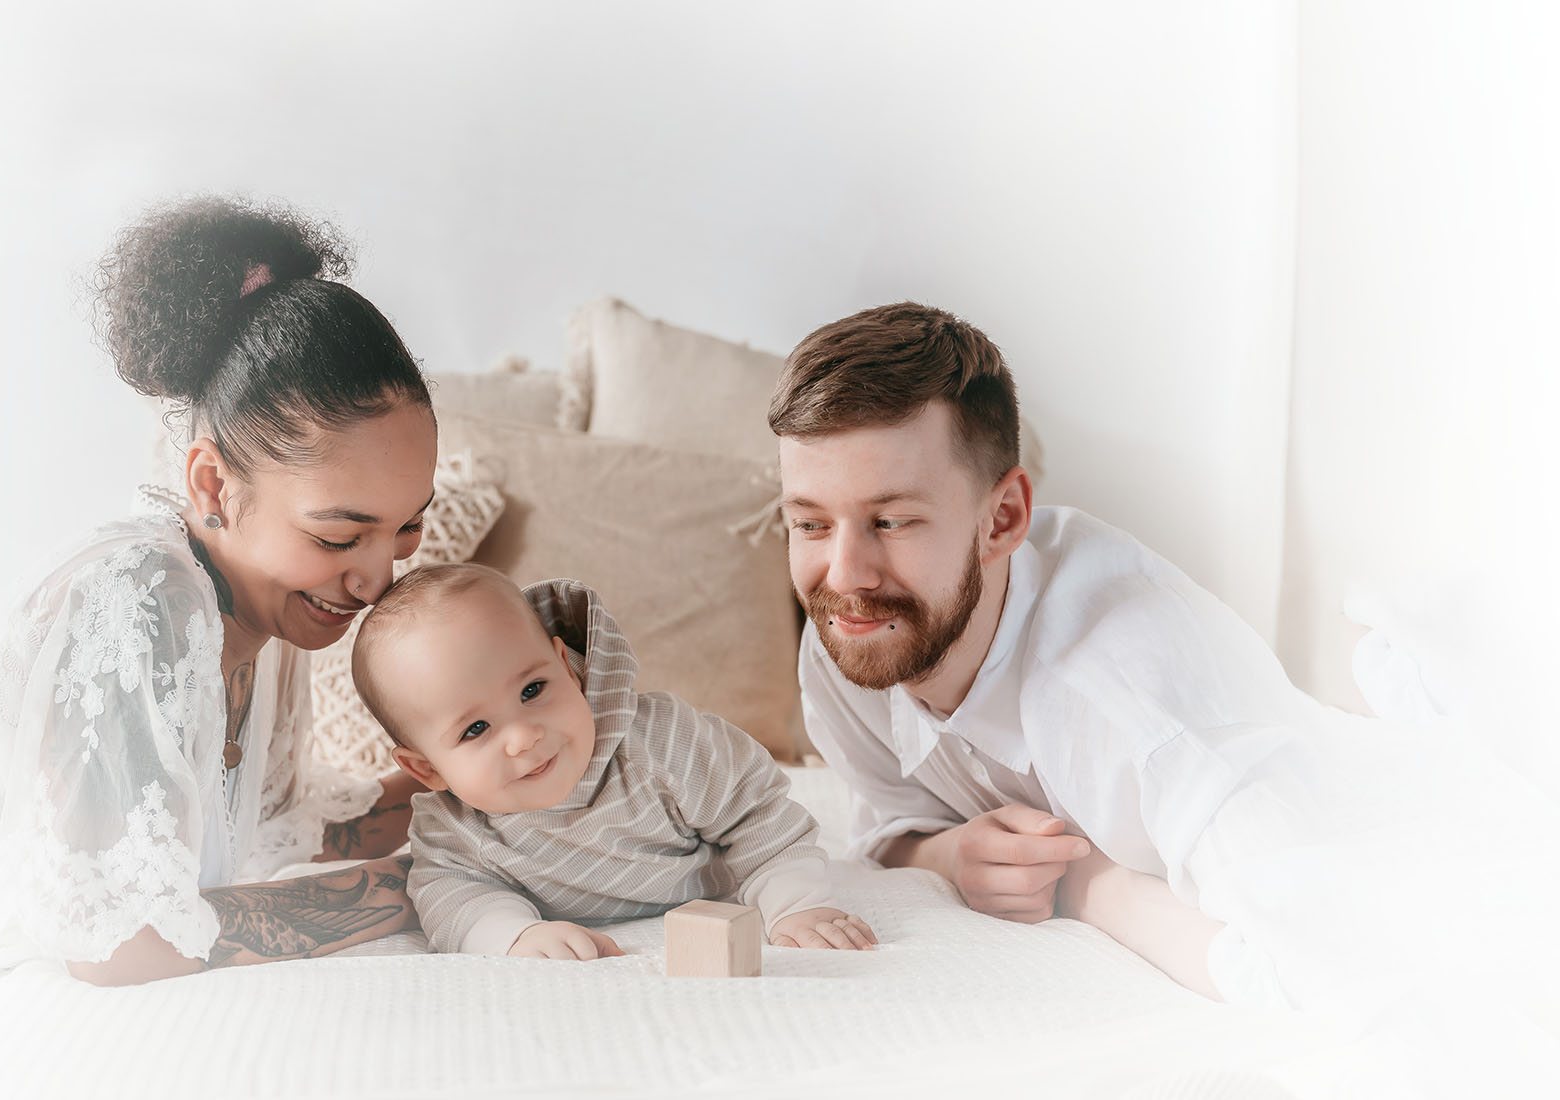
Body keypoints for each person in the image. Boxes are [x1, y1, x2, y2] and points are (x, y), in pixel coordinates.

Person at [0, 197, 437, 987]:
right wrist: (426, 888)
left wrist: (509, 764)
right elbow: (122, 944)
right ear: (211, 485)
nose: (377, 581)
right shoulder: (141, 597)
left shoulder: (273, 611)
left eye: (408, 527)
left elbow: (285, 831)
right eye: (338, 537)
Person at [770, 301, 1369, 1003]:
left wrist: (1087, 886)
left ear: (1003, 519)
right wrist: (952, 855)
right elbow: (886, 826)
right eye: (810, 524)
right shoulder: (855, 638)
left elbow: (1316, 971)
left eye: (892, 521)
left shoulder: (1134, 702)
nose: (845, 576)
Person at [349, 563, 877, 958]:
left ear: (567, 666)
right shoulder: (455, 829)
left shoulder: (660, 742)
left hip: (713, 896)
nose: (524, 738)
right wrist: (514, 935)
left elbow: (760, 816)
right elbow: (449, 896)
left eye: (533, 690)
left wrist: (795, 905)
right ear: (427, 769)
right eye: (476, 729)